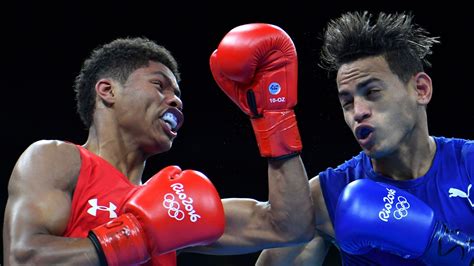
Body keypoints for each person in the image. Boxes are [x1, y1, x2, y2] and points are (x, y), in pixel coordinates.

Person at [3, 23, 315, 265]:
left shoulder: (176, 205)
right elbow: (24, 258)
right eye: (159, 85)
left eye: (178, 94)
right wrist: (134, 237)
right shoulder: (57, 158)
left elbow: (288, 227)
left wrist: (273, 117)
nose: (175, 101)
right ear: (107, 91)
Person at [256, 11, 474, 266]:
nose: (358, 112)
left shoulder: (468, 164)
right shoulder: (328, 197)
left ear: (421, 90)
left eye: (372, 92)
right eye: (347, 102)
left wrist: (450, 249)